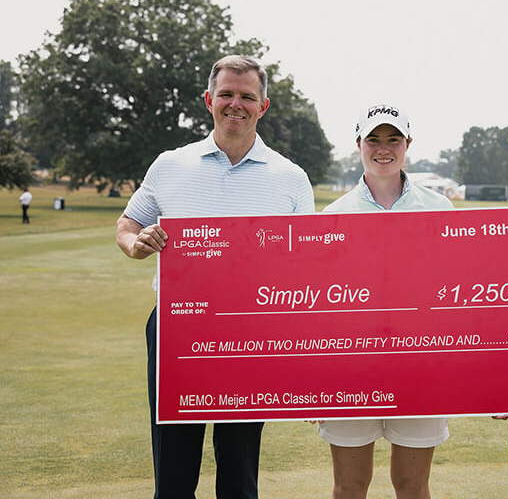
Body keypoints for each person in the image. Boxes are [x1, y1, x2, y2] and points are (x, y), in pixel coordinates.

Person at [115, 55, 315, 499]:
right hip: (177, 328)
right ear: (209, 100)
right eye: (226, 94)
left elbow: (306, 263)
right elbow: (128, 225)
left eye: (247, 96)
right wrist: (135, 243)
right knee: (173, 467)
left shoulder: (291, 177)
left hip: (253, 334)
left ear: (263, 106)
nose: (235, 104)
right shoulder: (170, 164)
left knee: (240, 470)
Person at [319, 104, 452, 499]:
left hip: (419, 367)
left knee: (412, 485)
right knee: (349, 485)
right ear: (358, 144)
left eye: (393, 139)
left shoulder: (439, 208)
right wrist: (312, 382)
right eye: (373, 139)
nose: (383, 148)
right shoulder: (333, 215)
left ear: (407, 143)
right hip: (351, 370)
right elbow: (320, 307)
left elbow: (451, 293)